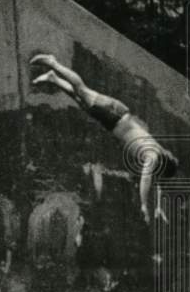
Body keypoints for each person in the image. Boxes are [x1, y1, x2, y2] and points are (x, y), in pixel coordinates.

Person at [30, 53, 178, 225]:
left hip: (113, 121)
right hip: (115, 114)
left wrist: (159, 206)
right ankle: (52, 62)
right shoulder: (152, 156)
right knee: (82, 90)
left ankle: (53, 78)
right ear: (161, 165)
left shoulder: (159, 155)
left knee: (81, 101)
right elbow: (146, 179)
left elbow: (157, 182)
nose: (155, 174)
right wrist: (144, 205)